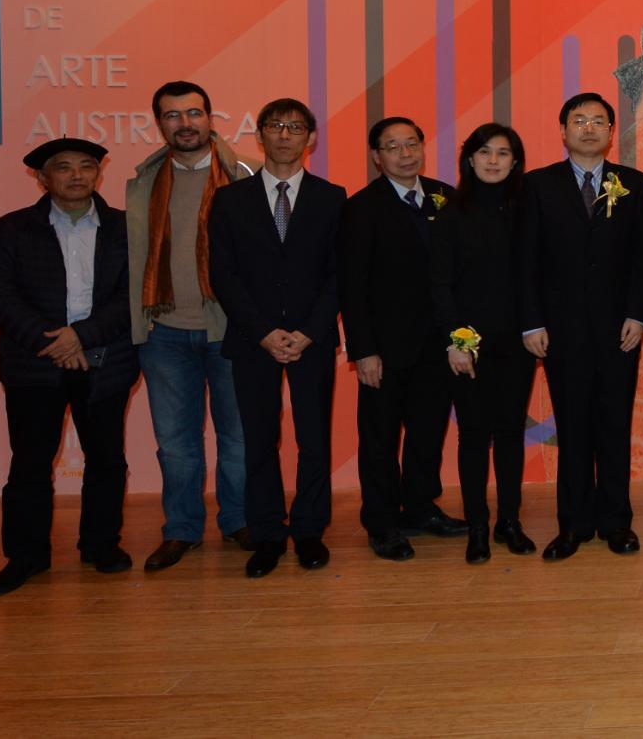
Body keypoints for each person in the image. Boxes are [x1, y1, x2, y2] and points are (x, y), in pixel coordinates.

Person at [0, 138, 138, 597]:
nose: (77, 175)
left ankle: (101, 545)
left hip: (103, 358)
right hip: (34, 363)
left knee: (106, 458)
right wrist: (56, 342)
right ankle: (25, 557)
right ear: (42, 178)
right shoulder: (12, 228)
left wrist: (81, 336)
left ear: (98, 174)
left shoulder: (126, 227)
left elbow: (134, 293)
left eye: (86, 166)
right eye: (63, 167)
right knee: (30, 462)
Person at [208, 99, 348, 578]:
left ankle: (309, 531)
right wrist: (264, 332)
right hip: (253, 340)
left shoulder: (332, 197)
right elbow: (223, 274)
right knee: (258, 440)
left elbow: (339, 274)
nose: (285, 135)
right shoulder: (230, 200)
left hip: (312, 339)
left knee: (314, 439)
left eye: (295, 127)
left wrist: (308, 332)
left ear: (311, 138)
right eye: (275, 126)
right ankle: (266, 533)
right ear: (260, 136)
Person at [125, 80, 259, 572]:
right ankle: (181, 529)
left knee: (238, 439)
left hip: (232, 331)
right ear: (159, 123)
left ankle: (240, 521)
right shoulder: (143, 182)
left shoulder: (247, 175)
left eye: (193, 113)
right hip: (163, 334)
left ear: (210, 117)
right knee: (176, 444)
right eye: (172, 115)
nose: (185, 124)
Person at [517, 92, 643, 559]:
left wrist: (638, 313)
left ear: (612, 132)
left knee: (614, 425)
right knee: (573, 427)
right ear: (563, 130)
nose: (589, 128)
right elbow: (526, 260)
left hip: (620, 330)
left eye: (598, 121)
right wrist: (531, 323)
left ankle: (617, 523)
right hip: (561, 330)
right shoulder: (537, 185)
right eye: (579, 121)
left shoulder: (633, 183)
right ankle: (572, 525)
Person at [338, 116, 466, 564]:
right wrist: (363, 350)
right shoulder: (361, 207)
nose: (405, 154)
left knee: (428, 432)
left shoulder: (446, 196)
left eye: (411, 144)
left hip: (438, 344)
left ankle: (420, 508)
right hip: (385, 348)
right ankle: (381, 521)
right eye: (392, 147)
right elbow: (352, 286)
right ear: (377, 157)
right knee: (379, 438)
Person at [432, 123, 537, 563]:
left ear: (515, 162)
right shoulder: (451, 214)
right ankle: (477, 524)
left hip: (518, 341)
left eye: (503, 152)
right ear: (469, 159)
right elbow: (439, 285)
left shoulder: (527, 211)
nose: (493, 160)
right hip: (468, 345)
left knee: (510, 432)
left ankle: (508, 521)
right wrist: (455, 342)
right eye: (484, 152)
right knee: (473, 435)